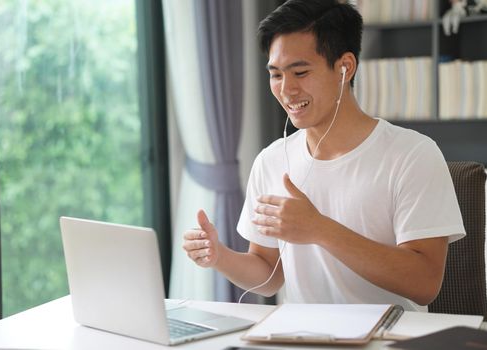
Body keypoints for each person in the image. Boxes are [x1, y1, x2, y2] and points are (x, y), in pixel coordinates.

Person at [182, 0, 465, 312]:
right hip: (303, 337)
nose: (286, 89)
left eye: (300, 72)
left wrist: (319, 229)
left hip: (389, 338)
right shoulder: (271, 160)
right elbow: (268, 272)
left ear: (345, 67)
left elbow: (424, 285)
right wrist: (220, 257)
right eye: (276, 74)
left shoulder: (412, 154)